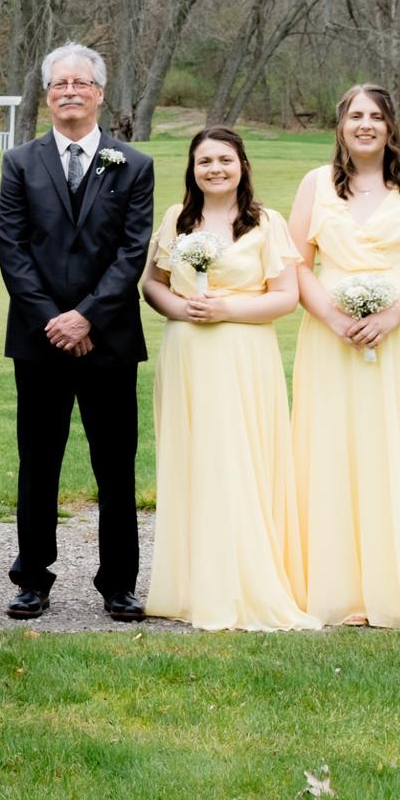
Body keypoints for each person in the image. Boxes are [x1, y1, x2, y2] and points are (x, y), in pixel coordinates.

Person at [288, 84, 400, 629]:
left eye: (377, 116)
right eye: (356, 116)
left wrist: (393, 315)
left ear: (391, 126)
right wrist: (336, 320)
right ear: (340, 125)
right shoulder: (316, 185)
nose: (366, 125)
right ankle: (336, 588)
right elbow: (295, 265)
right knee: (334, 446)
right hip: (329, 336)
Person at [0, 43, 155, 622]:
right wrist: (53, 320)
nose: (69, 91)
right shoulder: (19, 163)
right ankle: (32, 579)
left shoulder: (133, 165)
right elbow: (12, 250)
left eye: (80, 83)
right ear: (47, 95)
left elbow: (132, 251)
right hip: (39, 342)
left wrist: (88, 315)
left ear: (99, 93)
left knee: (115, 464)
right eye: (59, 83)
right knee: (38, 461)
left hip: (109, 340)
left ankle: (119, 582)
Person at [139, 128, 317, 631]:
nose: (214, 169)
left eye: (224, 159)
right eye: (204, 161)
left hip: (243, 353)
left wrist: (228, 310)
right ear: (192, 169)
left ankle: (246, 580)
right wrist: (182, 307)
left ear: (242, 164)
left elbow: (285, 296)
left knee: (240, 459)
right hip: (188, 353)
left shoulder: (266, 222)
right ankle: (191, 584)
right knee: (195, 460)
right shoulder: (178, 219)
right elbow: (152, 283)